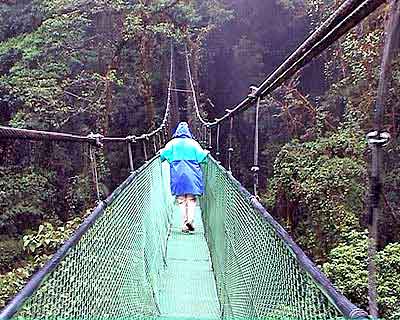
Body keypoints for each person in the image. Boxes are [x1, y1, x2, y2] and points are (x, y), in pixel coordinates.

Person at [160, 122, 209, 233]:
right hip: (192, 175)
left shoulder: (172, 143)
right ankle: (190, 221)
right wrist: (206, 152)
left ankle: (184, 223)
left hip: (177, 176)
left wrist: (161, 153)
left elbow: (162, 156)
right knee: (191, 199)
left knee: (181, 200)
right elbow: (202, 157)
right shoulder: (194, 144)